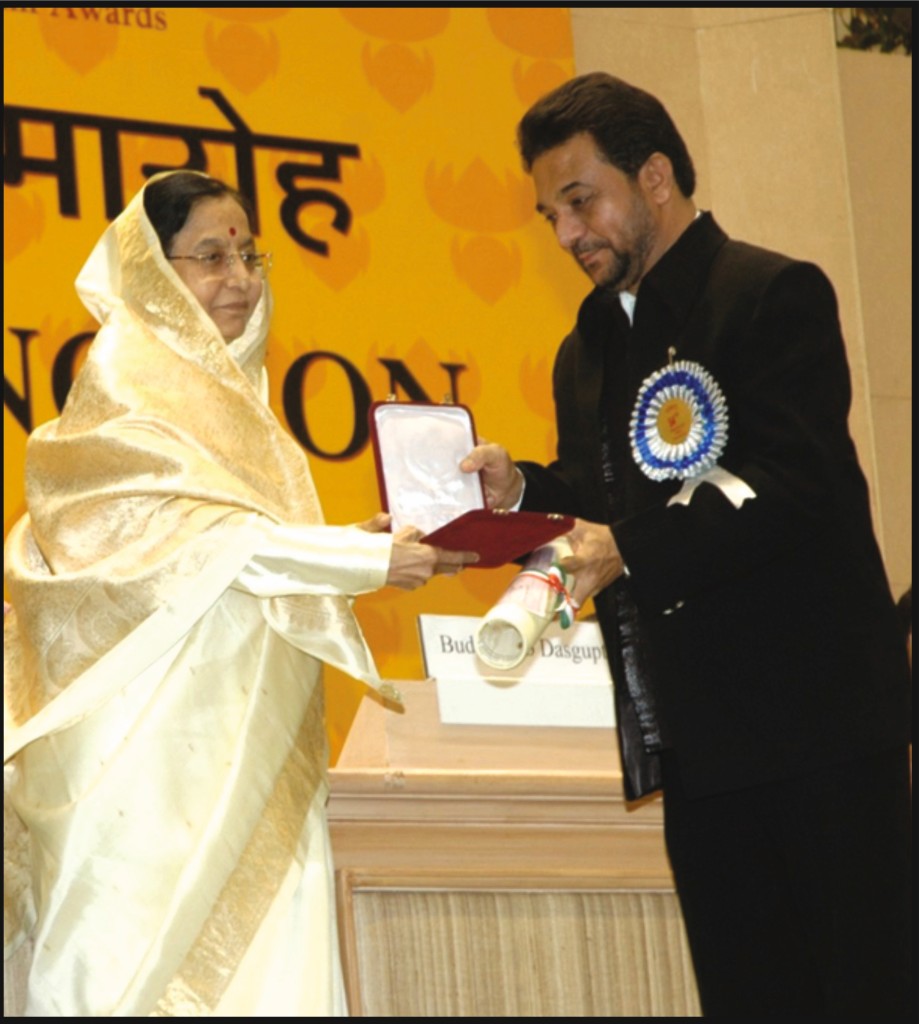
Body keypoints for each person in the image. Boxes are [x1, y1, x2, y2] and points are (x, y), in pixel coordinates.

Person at [461, 73, 912, 1017]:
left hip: (819, 726)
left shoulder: (771, 293)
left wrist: (623, 544)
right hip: (698, 744)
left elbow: (797, 486)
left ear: (654, 175)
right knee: (747, 996)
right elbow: (599, 504)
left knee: (863, 988)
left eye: (579, 200)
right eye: (549, 214)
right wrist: (520, 495)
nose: (566, 234)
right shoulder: (584, 347)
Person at [2, 170, 477, 1017]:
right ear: (152, 270)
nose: (240, 278)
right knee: (128, 969)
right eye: (210, 256)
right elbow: (196, 546)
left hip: (236, 731)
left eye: (248, 254)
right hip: (144, 760)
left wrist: (364, 548)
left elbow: (242, 545)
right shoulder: (127, 382)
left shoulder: (227, 398)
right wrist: (362, 564)